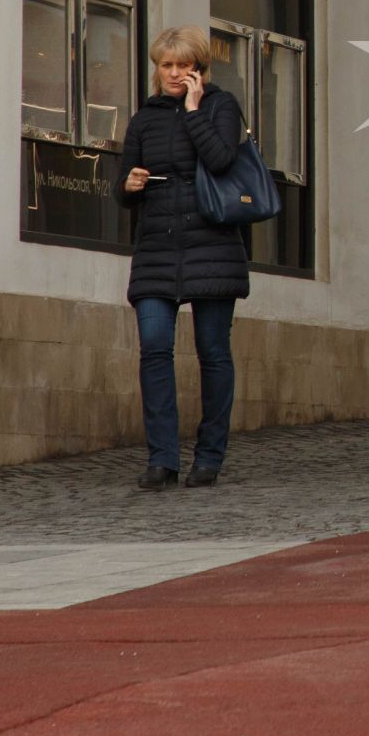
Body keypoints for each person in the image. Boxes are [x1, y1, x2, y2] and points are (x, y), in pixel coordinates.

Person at [116, 26, 250, 491]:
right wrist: (128, 185)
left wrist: (194, 111)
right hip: (157, 249)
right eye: (166, 65)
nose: (174, 74)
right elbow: (123, 184)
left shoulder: (221, 107)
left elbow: (220, 161)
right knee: (154, 350)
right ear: (157, 68)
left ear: (199, 69)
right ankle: (162, 459)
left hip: (212, 248)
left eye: (183, 66)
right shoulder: (144, 119)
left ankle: (209, 457)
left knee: (212, 353)